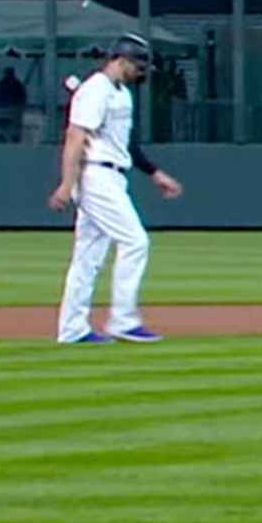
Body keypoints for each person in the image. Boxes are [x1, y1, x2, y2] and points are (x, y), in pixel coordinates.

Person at [50, 35, 183, 344]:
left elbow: (126, 143)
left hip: (113, 174)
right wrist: (67, 184)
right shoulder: (94, 90)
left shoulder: (121, 93)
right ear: (120, 60)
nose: (142, 72)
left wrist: (154, 173)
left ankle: (72, 329)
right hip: (96, 176)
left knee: (88, 257)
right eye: (138, 65)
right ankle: (123, 320)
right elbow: (75, 137)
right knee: (135, 241)